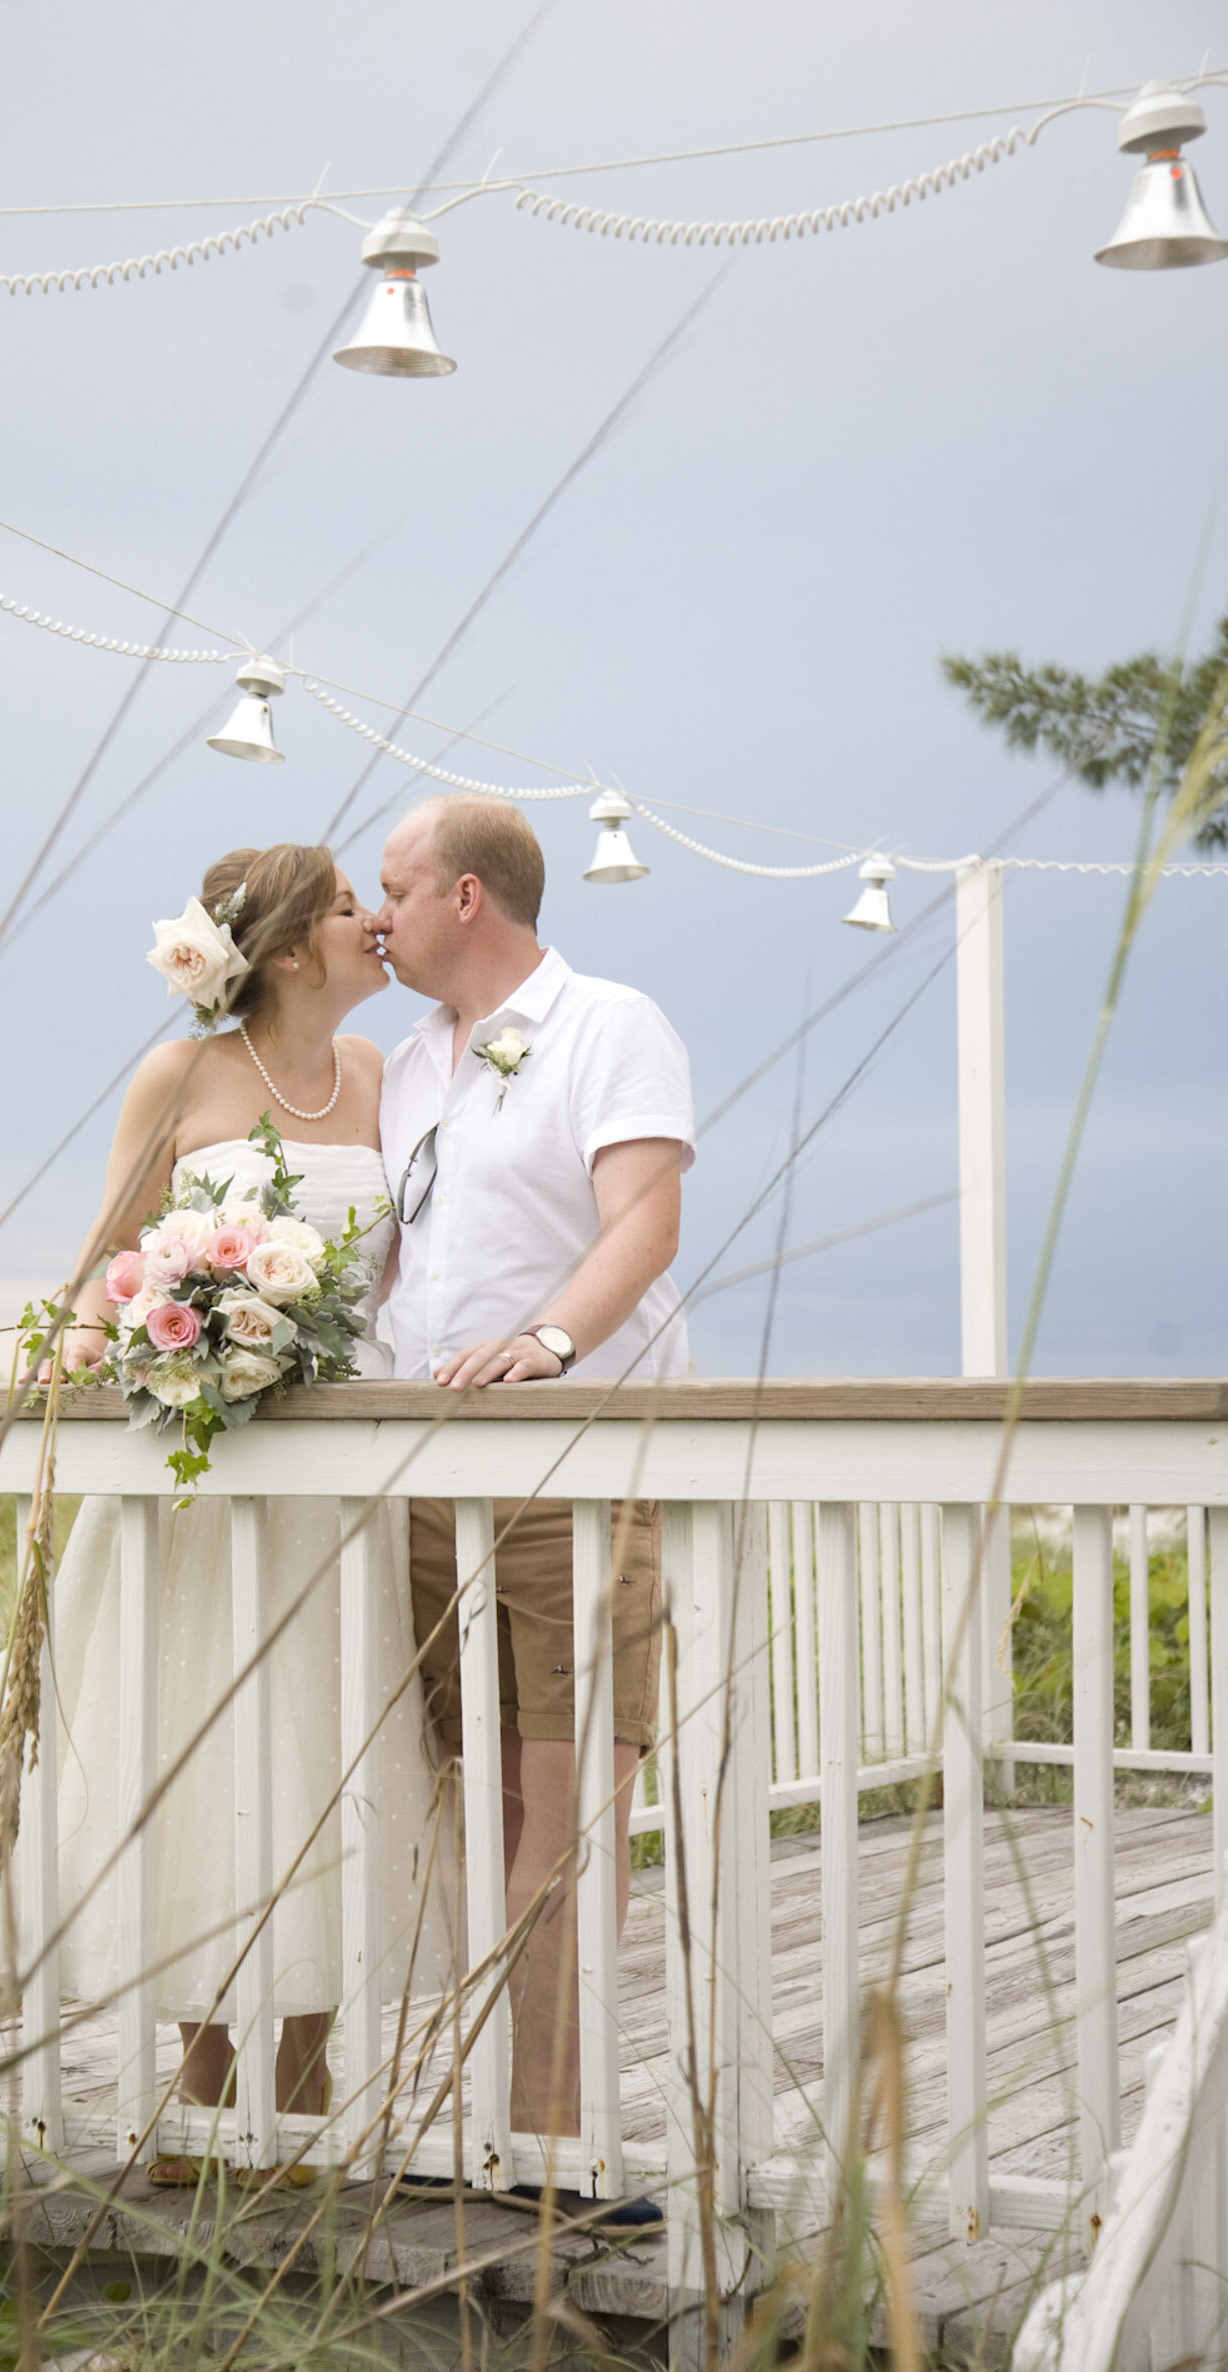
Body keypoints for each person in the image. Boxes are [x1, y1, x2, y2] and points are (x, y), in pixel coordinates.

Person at [0, 843, 447, 2181]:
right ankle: (195, 2073)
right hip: (196, 1473)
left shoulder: (386, 1077)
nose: (375, 923)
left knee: (322, 1753)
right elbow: (102, 1267)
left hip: (330, 1491)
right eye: (353, 907)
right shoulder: (178, 1078)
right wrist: (101, 1348)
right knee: (200, 1748)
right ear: (288, 951)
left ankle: (301, 2071)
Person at [371, 796, 694, 2151]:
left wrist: (550, 1343)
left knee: (562, 1805)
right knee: (470, 1796)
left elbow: (645, 1223)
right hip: (421, 1481)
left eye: (391, 887)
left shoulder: (608, 1023)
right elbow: (387, 1263)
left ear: (464, 898)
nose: (372, 915)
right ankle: (480, 2114)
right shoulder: (403, 1066)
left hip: (570, 1464)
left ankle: (549, 2133)